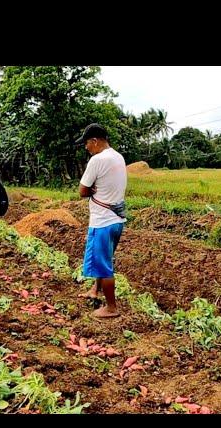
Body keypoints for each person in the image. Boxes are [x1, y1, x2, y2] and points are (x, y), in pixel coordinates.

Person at [76, 123, 127, 318]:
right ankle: (94, 290)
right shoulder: (118, 157)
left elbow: (82, 191)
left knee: (103, 264)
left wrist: (91, 189)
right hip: (117, 221)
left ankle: (111, 307)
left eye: (87, 143)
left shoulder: (97, 160)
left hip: (102, 221)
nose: (86, 147)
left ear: (95, 141)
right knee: (104, 259)